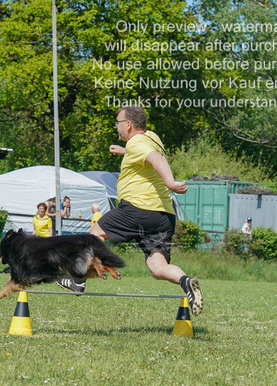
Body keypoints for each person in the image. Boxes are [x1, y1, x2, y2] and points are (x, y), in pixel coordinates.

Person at [57, 106, 203, 317]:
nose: (116, 126)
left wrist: (171, 183)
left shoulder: (136, 142)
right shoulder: (151, 137)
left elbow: (156, 158)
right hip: (163, 215)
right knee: (157, 267)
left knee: (95, 234)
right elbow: (146, 154)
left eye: (118, 122)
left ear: (129, 124)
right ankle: (186, 281)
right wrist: (124, 152)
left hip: (139, 207)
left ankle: (78, 281)